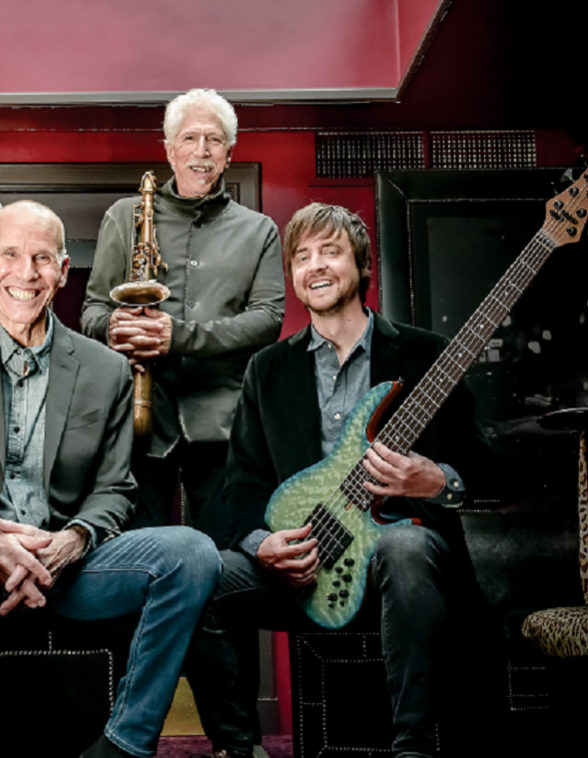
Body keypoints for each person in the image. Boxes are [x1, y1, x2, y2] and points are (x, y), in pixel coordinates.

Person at [0, 200, 222, 758]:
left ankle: (123, 744)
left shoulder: (106, 369)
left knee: (193, 553)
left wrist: (71, 542)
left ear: (63, 271)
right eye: (10, 255)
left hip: (68, 569)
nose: (26, 272)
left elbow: (115, 489)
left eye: (42, 258)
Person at [184, 203, 493, 758]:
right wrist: (262, 543)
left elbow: (487, 464)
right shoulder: (267, 370)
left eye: (330, 251)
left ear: (363, 264)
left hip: (398, 568)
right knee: (194, 575)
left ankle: (413, 749)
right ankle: (237, 745)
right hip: (306, 564)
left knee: (405, 546)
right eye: (302, 257)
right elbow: (242, 485)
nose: (315, 266)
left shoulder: (425, 354)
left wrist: (434, 480)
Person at [81, 88, 284, 534]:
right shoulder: (124, 217)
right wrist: (114, 327)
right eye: (190, 138)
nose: (201, 150)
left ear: (229, 154)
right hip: (137, 421)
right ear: (170, 150)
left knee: (229, 556)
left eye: (214, 140)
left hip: (225, 429)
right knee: (136, 555)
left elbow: (268, 319)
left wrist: (179, 337)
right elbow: (93, 310)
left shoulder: (260, 230)